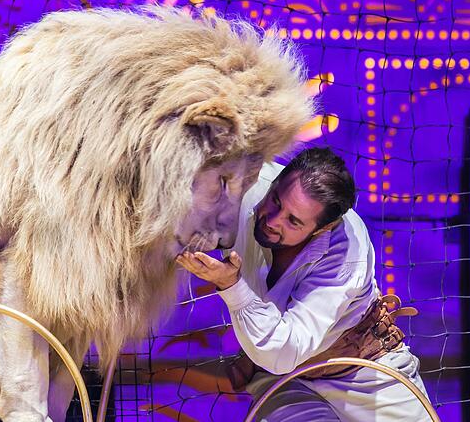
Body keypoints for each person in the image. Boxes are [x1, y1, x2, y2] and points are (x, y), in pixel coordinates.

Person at [176, 147, 431, 421]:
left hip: (363, 372)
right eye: (275, 200)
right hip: (284, 379)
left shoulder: (345, 256)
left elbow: (285, 351)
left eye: (293, 221)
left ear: (321, 229)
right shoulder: (246, 184)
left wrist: (231, 286)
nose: (272, 220)